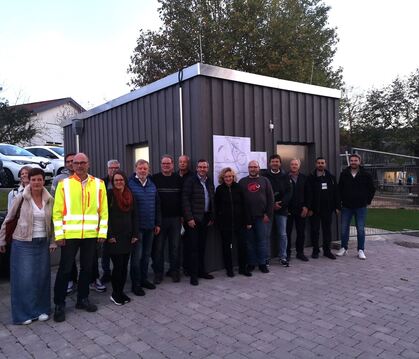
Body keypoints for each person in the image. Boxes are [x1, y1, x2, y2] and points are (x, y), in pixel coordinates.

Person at [52, 153, 108, 322]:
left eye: (83, 162)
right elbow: (57, 212)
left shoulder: (99, 184)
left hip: (91, 235)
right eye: (76, 163)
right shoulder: (64, 184)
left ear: (88, 164)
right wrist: (59, 235)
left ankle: (82, 299)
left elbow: (103, 211)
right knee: (65, 270)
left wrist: (102, 232)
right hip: (69, 235)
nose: (79, 166)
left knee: (87, 269)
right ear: (72, 165)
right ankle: (59, 304)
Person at [0, 168, 56, 325]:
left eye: (39, 179)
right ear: (28, 181)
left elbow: (53, 222)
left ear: (43, 181)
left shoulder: (49, 199)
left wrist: (52, 241)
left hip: (42, 242)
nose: (36, 182)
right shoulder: (21, 198)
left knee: (42, 278)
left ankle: (42, 309)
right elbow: (9, 218)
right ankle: (23, 314)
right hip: (23, 243)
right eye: (33, 180)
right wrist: (2, 240)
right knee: (24, 280)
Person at [128, 159, 161, 296]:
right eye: (140, 168)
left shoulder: (152, 185)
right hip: (137, 229)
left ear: (148, 170)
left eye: (145, 169)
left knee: (146, 256)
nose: (142, 171)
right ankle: (135, 284)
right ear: (136, 169)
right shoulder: (130, 185)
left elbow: (157, 205)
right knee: (137, 257)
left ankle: (144, 279)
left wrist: (157, 223)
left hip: (150, 227)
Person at [106, 170, 138, 305]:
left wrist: (135, 234)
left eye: (121, 180)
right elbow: (104, 216)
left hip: (127, 236)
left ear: (125, 181)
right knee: (118, 267)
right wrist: (109, 235)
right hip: (115, 238)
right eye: (116, 180)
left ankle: (121, 291)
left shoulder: (130, 195)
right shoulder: (109, 195)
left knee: (125, 267)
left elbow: (135, 216)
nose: (119, 182)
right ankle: (115, 293)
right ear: (113, 182)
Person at [182, 159, 215, 285]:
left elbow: (212, 198)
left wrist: (212, 216)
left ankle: (202, 271)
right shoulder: (190, 180)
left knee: (202, 246)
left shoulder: (209, 181)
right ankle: (193, 275)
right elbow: (185, 200)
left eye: (204, 167)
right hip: (194, 220)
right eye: (200, 167)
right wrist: (189, 218)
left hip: (206, 218)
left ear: (207, 168)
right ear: (196, 168)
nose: (202, 169)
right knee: (193, 248)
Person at [336, 153, 375, 259]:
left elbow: (372, 189)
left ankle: (361, 250)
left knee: (361, 229)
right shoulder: (344, 173)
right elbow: (339, 190)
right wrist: (339, 203)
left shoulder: (366, 174)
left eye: (355, 160)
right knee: (344, 229)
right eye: (352, 160)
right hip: (346, 206)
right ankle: (344, 248)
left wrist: (367, 201)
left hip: (360, 207)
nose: (353, 162)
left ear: (359, 162)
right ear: (349, 162)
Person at [51, 153, 79, 294]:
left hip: (85, 227)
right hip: (67, 227)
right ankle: (70, 281)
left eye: (72, 161)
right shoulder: (59, 180)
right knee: (68, 260)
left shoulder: (86, 179)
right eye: (68, 161)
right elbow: (54, 202)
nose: (70, 163)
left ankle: (90, 280)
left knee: (90, 258)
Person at [152, 155, 182, 284]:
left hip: (175, 219)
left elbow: (182, 199)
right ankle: (158, 273)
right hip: (160, 220)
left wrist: (182, 216)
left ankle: (174, 271)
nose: (166, 166)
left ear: (172, 165)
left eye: (168, 163)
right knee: (158, 248)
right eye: (164, 163)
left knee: (175, 247)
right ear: (161, 165)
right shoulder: (154, 179)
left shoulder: (178, 179)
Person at [215, 167, 251, 277]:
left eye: (230, 176)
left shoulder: (239, 188)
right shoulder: (219, 189)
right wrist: (219, 221)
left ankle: (242, 268)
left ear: (233, 177)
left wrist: (248, 221)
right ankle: (229, 269)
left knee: (242, 246)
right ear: (222, 177)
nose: (228, 178)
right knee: (227, 247)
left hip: (240, 223)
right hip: (225, 224)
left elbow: (245, 205)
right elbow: (216, 206)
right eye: (226, 176)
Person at [239, 160, 274, 274]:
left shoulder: (265, 181)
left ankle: (262, 263)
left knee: (262, 241)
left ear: (258, 168)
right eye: (251, 167)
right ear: (248, 168)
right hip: (247, 218)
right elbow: (239, 201)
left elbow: (270, 198)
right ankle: (252, 263)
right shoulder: (242, 182)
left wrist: (268, 214)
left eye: (255, 167)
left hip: (261, 217)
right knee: (250, 242)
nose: (253, 169)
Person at [306, 157, 340, 260]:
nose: (321, 164)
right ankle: (315, 250)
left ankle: (327, 251)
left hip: (328, 209)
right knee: (315, 231)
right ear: (316, 164)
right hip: (314, 210)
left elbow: (336, 193)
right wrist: (309, 208)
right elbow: (308, 194)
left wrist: (337, 207)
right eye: (319, 163)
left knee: (327, 231)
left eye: (322, 163)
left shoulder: (331, 177)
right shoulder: (311, 177)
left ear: (325, 164)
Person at [263, 154, 292, 267]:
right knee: (266, 235)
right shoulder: (265, 176)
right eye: (273, 161)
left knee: (282, 234)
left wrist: (281, 204)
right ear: (270, 163)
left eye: (277, 161)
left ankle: (283, 257)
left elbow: (289, 192)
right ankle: (266, 258)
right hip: (268, 210)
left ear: (280, 163)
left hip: (282, 209)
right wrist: (271, 204)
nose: (275, 163)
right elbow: (263, 193)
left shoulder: (286, 176)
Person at [100, 159, 121, 284]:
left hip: (119, 221)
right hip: (105, 221)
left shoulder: (123, 181)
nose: (114, 170)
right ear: (107, 169)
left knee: (118, 250)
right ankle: (106, 273)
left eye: (116, 168)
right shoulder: (102, 183)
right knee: (105, 250)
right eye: (111, 168)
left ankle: (117, 272)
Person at [286, 159, 309, 262]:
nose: (294, 166)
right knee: (287, 232)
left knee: (301, 232)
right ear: (290, 166)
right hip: (288, 210)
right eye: (292, 164)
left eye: (296, 164)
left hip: (301, 210)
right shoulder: (284, 177)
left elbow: (309, 193)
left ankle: (300, 253)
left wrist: (306, 206)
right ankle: (287, 253)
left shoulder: (304, 178)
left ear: (299, 166)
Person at [177, 155, 193, 276]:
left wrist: (187, 216)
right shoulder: (174, 176)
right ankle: (175, 268)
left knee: (188, 243)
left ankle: (187, 267)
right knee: (175, 244)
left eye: (184, 162)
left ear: (188, 164)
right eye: (180, 162)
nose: (182, 164)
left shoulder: (192, 177)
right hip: (175, 215)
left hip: (188, 215)